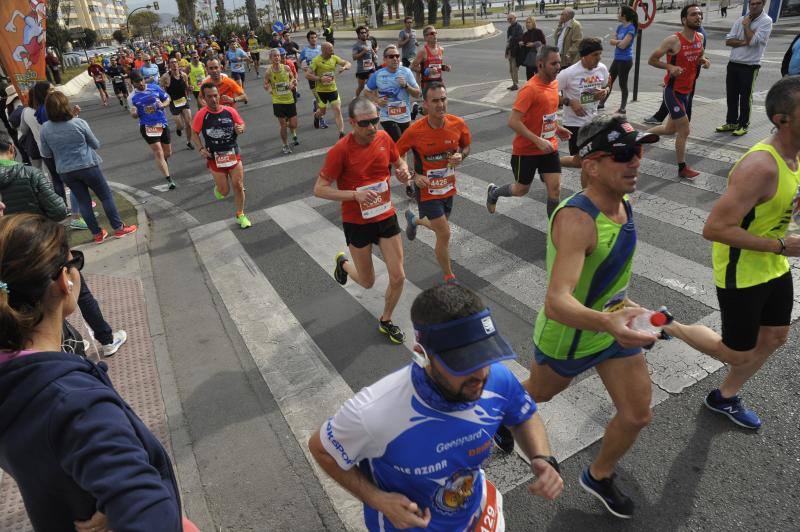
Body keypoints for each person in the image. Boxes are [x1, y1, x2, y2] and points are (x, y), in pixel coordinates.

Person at [308, 283, 564, 531]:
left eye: (486, 355)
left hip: (478, 515)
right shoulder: (374, 411)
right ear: (422, 354)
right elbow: (322, 449)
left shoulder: (497, 379)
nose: (481, 375)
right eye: (463, 363)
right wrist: (378, 500)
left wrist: (541, 457)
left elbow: (522, 415)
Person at [0, 214, 187, 531]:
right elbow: (153, 518)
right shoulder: (75, 404)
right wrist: (121, 512)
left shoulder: (12, 379)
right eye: (76, 261)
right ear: (64, 280)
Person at [516, 114, 659, 519]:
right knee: (537, 394)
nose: (636, 160)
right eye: (623, 154)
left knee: (637, 413)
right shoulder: (578, 219)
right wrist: (608, 321)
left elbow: (609, 278)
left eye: (638, 151)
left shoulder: (622, 202)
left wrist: (629, 312)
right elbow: (556, 302)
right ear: (592, 166)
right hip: (569, 337)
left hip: (612, 331)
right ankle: (498, 414)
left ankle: (599, 475)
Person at [663, 76, 800, 430]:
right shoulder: (760, 167)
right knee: (735, 353)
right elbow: (715, 229)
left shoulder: (795, 154)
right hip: (742, 269)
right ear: (783, 119)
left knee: (776, 337)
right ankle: (669, 325)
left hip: (773, 263)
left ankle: (724, 397)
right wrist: (781, 245)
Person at [0, 132, 129, 357]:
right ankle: (106, 339)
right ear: (12, 149)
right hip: (45, 243)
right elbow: (59, 210)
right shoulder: (30, 174)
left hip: (8, 253)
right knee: (78, 292)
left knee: (28, 302)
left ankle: (62, 342)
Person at [313, 98, 412, 344]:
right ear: (352, 123)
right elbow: (319, 189)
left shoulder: (384, 138)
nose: (372, 127)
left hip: (385, 215)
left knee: (398, 276)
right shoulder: (341, 150)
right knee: (367, 282)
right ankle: (343, 264)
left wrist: (403, 171)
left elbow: (399, 161)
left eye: (375, 120)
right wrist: (354, 195)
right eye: (365, 123)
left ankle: (386, 320)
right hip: (357, 222)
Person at [40, 92, 138, 244]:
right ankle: (118, 227)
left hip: (66, 170)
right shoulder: (78, 123)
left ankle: (97, 234)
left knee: (83, 201)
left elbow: (46, 153)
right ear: (66, 105)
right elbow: (95, 144)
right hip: (87, 165)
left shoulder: (45, 128)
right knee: (105, 196)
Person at [397, 83, 470, 283]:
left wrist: (461, 155)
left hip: (447, 187)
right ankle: (449, 276)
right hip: (426, 190)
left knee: (440, 226)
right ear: (426, 104)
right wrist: (413, 176)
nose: (440, 104)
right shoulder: (415, 131)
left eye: (443, 99)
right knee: (444, 233)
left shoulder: (458, 124)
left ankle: (415, 221)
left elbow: (466, 146)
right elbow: (396, 154)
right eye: (435, 100)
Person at [486, 46, 572, 218]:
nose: (558, 67)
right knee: (521, 190)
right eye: (553, 63)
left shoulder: (554, 84)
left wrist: (557, 128)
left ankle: (554, 230)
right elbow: (513, 121)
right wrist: (537, 141)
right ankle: (494, 192)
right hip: (526, 151)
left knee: (555, 190)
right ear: (540, 64)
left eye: (559, 63)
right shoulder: (530, 89)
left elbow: (546, 114)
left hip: (549, 148)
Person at [646, 3, 710, 180]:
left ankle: (640, 137)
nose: (698, 17)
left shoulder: (700, 37)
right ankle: (682, 168)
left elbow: (699, 56)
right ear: (684, 19)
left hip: (687, 91)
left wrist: (704, 61)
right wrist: (670, 67)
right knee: (684, 130)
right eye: (693, 14)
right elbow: (652, 60)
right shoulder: (673, 40)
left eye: (699, 14)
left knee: (669, 129)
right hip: (673, 91)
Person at [191, 82, 251, 229]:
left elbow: (242, 124)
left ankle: (240, 214)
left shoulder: (230, 111)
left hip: (232, 153)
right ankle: (219, 188)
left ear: (219, 95)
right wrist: (200, 148)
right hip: (214, 158)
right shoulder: (201, 115)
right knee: (224, 192)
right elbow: (194, 132)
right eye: (209, 97)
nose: (213, 99)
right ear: (204, 98)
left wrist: (240, 128)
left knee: (238, 185)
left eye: (215, 95)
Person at [557, 38, 610, 188]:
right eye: (595, 54)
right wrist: (569, 102)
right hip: (575, 123)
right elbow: (550, 93)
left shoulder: (602, 69)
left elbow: (607, 83)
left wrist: (605, 91)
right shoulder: (568, 73)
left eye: (600, 54)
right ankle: (587, 196)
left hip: (594, 121)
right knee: (586, 161)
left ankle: (552, 163)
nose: (599, 58)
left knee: (581, 161)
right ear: (584, 56)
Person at [715, 0, 773, 137]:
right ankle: (731, 122)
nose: (754, 6)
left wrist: (747, 27)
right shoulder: (740, 19)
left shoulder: (766, 21)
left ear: (763, 4)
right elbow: (729, 41)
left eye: (757, 3)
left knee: (745, 97)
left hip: (750, 65)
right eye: (752, 3)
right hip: (733, 63)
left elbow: (753, 42)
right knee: (731, 95)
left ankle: (743, 124)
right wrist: (745, 41)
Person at [128, 70, 176, 190]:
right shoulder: (131, 97)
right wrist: (134, 113)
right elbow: (134, 114)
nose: (141, 83)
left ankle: (163, 161)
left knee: (168, 153)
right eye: (137, 82)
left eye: (141, 80)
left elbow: (167, 99)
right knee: (158, 151)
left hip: (162, 123)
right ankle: (169, 180)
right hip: (147, 126)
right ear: (132, 83)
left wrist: (163, 105)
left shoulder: (155, 87)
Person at [363, 45, 420, 144]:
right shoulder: (378, 74)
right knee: (398, 141)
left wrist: (406, 86)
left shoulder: (406, 72)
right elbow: (366, 91)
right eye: (391, 56)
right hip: (387, 116)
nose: (395, 59)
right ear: (385, 59)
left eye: (397, 56)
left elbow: (417, 94)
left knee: (403, 146)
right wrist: (377, 100)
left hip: (404, 116)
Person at [307, 42, 351, 138]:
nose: (332, 50)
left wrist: (344, 67)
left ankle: (341, 133)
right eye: (330, 49)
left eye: (332, 48)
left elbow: (348, 63)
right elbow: (308, 75)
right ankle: (316, 116)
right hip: (321, 91)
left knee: (337, 110)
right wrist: (320, 79)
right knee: (322, 112)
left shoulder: (334, 58)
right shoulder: (316, 60)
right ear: (323, 50)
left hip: (332, 90)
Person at [599, 5, 637, 114]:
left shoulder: (631, 28)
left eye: (619, 13)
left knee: (622, 84)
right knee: (609, 81)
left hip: (625, 60)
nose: (617, 15)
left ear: (624, 16)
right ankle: (601, 103)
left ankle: (623, 108)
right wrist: (619, 42)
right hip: (617, 58)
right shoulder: (620, 27)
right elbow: (612, 41)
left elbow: (623, 46)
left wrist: (617, 42)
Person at [264, 48, 299, 154]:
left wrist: (292, 84)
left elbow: (293, 79)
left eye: (278, 55)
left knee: (293, 125)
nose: (277, 57)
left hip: (289, 100)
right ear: (270, 58)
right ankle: (285, 144)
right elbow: (266, 83)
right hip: (277, 101)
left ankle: (288, 124)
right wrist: (269, 88)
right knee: (283, 125)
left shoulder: (286, 68)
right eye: (274, 56)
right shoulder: (269, 71)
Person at [160, 57, 194, 150]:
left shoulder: (184, 75)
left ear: (178, 64)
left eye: (175, 62)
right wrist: (165, 97)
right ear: (169, 65)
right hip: (174, 103)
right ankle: (178, 129)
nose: (174, 64)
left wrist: (190, 88)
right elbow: (161, 89)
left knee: (189, 123)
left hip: (184, 101)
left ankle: (189, 142)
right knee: (181, 125)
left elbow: (186, 86)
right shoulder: (165, 77)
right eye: (172, 63)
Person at [411, 25, 450, 92]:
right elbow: (412, 67)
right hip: (427, 85)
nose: (434, 35)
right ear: (426, 37)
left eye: (435, 33)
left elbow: (438, 66)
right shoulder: (423, 51)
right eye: (432, 33)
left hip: (439, 82)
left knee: (443, 98)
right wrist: (426, 71)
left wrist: (444, 67)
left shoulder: (441, 49)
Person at [299, 31, 324, 127]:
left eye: (315, 37)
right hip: (312, 78)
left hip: (322, 77)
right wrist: (303, 68)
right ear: (308, 39)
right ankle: (320, 119)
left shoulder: (321, 48)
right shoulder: (305, 50)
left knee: (322, 99)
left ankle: (316, 106)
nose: (314, 39)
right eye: (311, 38)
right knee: (319, 100)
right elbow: (299, 61)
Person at [353, 26, 378, 97]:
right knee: (361, 87)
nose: (364, 34)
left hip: (371, 68)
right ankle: (356, 98)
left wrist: (374, 54)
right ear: (358, 35)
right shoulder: (356, 45)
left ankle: (375, 100)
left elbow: (371, 51)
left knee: (374, 84)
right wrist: (363, 52)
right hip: (361, 70)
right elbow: (354, 57)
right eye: (362, 33)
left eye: (365, 32)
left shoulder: (369, 42)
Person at [520, 16, 546, 81]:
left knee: (539, 79)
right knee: (529, 79)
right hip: (529, 60)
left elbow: (544, 44)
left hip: (538, 59)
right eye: (526, 23)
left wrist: (534, 44)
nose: (527, 24)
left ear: (533, 23)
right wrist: (521, 44)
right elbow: (523, 47)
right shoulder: (525, 34)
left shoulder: (538, 31)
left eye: (529, 22)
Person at [506, 13, 524, 91]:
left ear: (515, 18)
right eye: (508, 19)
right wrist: (507, 50)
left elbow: (520, 37)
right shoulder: (510, 28)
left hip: (516, 51)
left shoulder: (519, 27)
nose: (509, 20)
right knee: (511, 69)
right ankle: (514, 83)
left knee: (514, 69)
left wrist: (511, 39)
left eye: (511, 18)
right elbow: (508, 40)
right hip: (510, 50)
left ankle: (516, 84)